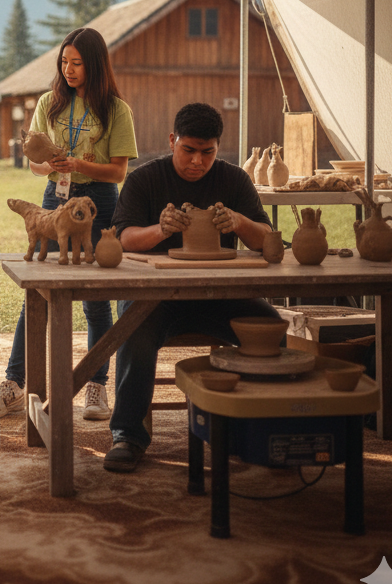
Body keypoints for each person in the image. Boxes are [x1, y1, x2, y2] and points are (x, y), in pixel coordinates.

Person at [103, 101, 280, 473]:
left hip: (220, 295)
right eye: (189, 150)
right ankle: (128, 435)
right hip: (155, 297)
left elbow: (267, 240)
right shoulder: (145, 178)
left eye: (207, 152)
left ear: (218, 148)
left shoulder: (234, 180)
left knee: (272, 331)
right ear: (172, 141)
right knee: (133, 331)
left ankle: (265, 428)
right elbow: (122, 238)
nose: (197, 161)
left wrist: (238, 222)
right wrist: (161, 230)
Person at [0, 27, 137, 422]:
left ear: (95, 64)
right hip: (55, 200)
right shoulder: (49, 103)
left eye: (77, 63)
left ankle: (96, 387)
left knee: (97, 301)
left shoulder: (117, 109)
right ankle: (16, 384)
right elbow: (34, 162)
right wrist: (51, 165)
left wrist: (79, 164)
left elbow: (118, 172)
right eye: (64, 62)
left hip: (97, 203)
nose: (68, 69)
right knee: (38, 292)